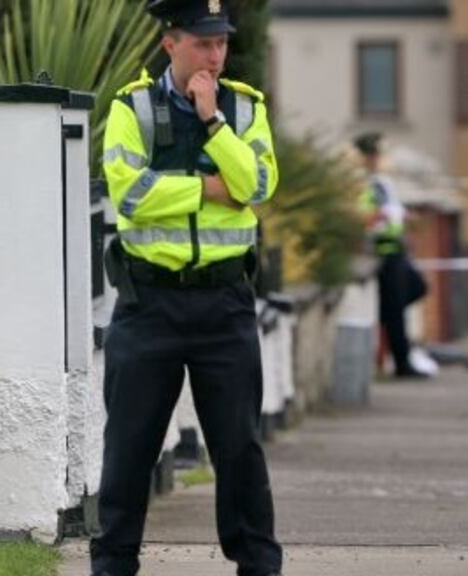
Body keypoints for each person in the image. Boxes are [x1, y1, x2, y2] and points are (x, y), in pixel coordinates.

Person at [90, 1, 283, 575]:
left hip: (225, 304)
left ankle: (259, 565)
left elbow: (258, 184)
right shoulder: (133, 109)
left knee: (240, 448)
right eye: (203, 42)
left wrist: (214, 122)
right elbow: (131, 195)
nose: (216, 54)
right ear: (170, 43)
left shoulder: (244, 108)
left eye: (221, 41)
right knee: (129, 447)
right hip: (148, 304)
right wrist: (208, 187)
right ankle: (114, 565)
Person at [355, 132, 430, 379]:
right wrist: (380, 219)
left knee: (416, 289)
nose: (384, 158)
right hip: (383, 250)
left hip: (396, 246)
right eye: (379, 153)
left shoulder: (382, 182)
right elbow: (366, 214)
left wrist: (405, 218)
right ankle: (402, 363)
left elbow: (391, 209)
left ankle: (391, 334)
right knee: (395, 311)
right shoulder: (364, 183)